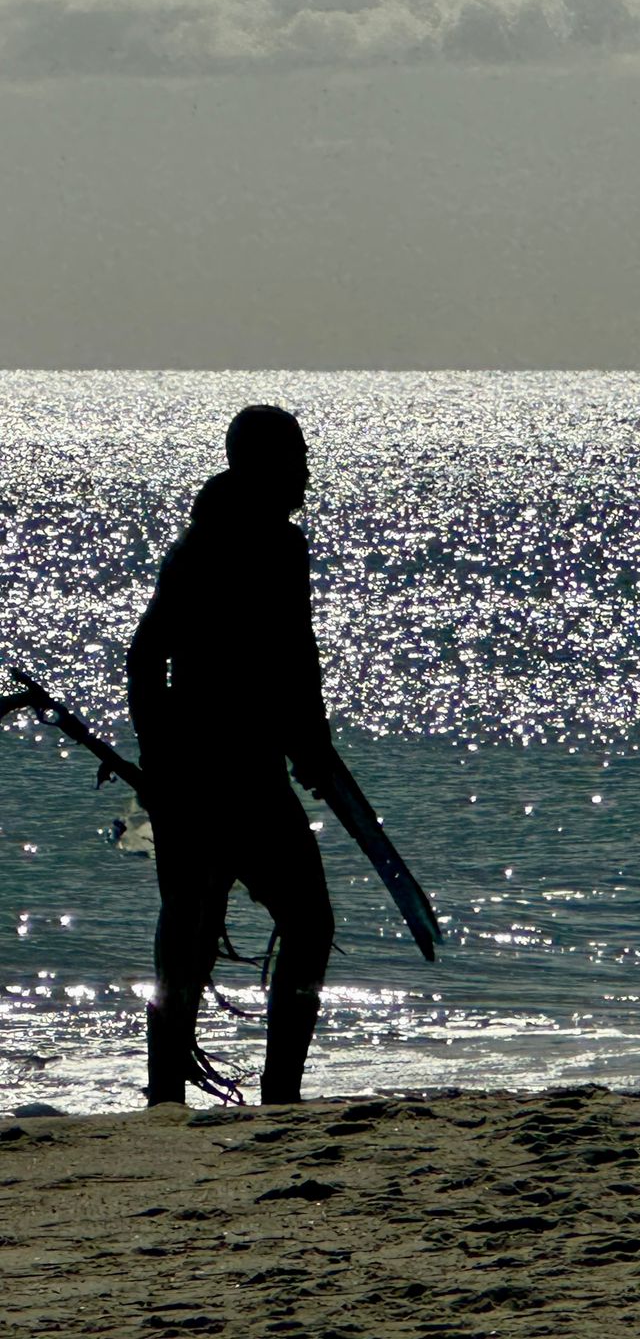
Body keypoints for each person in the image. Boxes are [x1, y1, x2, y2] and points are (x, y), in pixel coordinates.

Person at [126, 405, 340, 1106]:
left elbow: (293, 656)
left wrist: (314, 744)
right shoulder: (203, 549)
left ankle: (282, 1093)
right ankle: (165, 1095)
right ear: (258, 463)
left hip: (258, 769)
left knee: (307, 921)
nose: (304, 470)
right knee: (190, 927)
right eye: (293, 457)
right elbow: (145, 654)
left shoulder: (286, 546)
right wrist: (158, 763)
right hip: (199, 774)